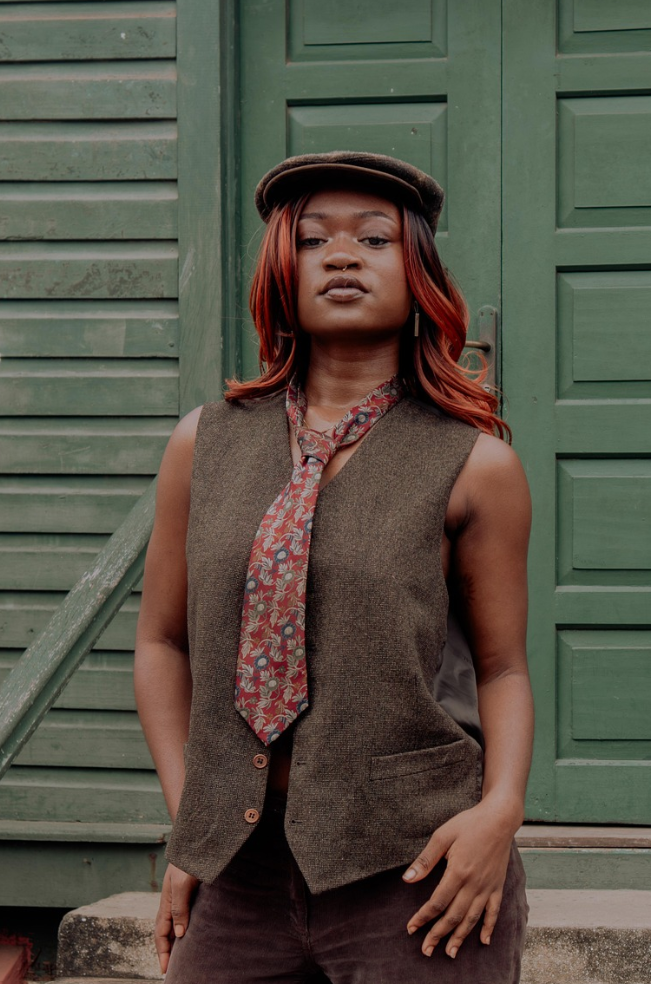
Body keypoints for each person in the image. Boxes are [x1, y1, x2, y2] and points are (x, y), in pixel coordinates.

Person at [134, 151, 533, 983]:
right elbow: (162, 643)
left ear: (419, 274)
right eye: (314, 239)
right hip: (240, 872)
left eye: (374, 239)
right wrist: (193, 827)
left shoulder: (475, 465)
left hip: (420, 870)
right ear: (282, 272)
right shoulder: (202, 443)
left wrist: (499, 813)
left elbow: (501, 668)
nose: (342, 255)